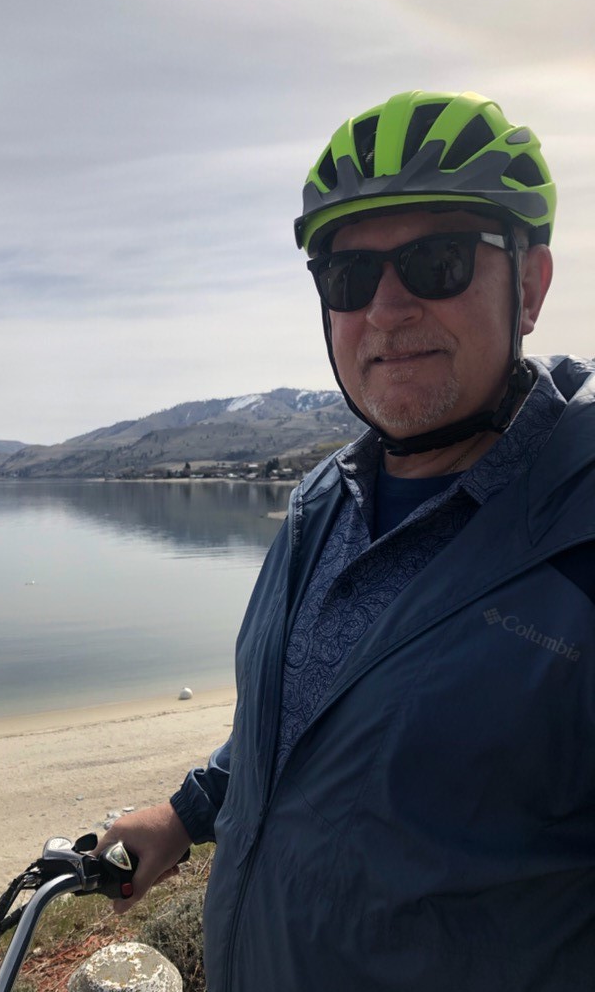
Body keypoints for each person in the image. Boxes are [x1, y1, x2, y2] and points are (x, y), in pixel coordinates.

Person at [99, 90, 595, 991]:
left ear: (530, 286)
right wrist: (184, 813)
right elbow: (303, 724)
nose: (388, 307)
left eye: (437, 261)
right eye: (349, 278)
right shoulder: (325, 502)